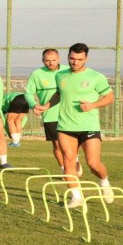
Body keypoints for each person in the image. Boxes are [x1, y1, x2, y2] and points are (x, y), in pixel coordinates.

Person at [51, 43, 114, 208]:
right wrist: (45, 105)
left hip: (89, 126)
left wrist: (93, 105)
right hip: (65, 126)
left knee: (93, 163)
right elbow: (59, 93)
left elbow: (109, 97)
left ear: (86, 58)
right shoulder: (60, 75)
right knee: (68, 162)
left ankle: (104, 182)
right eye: (72, 58)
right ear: (68, 57)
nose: (75, 62)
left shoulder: (96, 77)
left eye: (79, 59)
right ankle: (76, 197)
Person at [24, 48, 82, 176]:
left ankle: (75, 160)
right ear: (43, 60)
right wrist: (34, 105)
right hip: (50, 114)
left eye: (54, 60)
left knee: (72, 143)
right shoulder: (37, 74)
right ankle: (65, 170)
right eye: (47, 61)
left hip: (70, 113)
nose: (51, 63)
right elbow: (28, 93)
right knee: (57, 144)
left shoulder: (68, 71)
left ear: (59, 59)